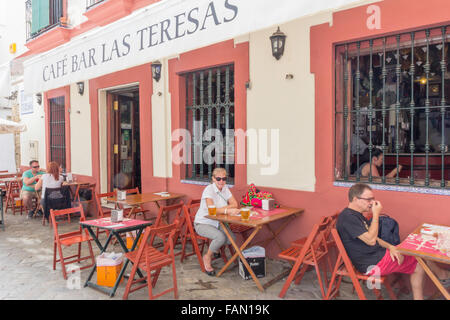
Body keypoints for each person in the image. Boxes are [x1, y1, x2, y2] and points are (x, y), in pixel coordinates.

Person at [336, 183, 450, 300]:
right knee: (418, 263)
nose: (372, 202)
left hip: (377, 255)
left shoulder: (355, 215)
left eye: (373, 198)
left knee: (415, 252)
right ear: (355, 199)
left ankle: (443, 275)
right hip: (372, 264)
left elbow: (374, 238)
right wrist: (376, 214)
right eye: (368, 199)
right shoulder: (348, 218)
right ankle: (442, 276)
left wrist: (391, 247)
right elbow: (371, 240)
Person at [194, 168, 241, 276]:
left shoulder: (225, 188)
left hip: (217, 222)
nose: (221, 181)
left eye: (224, 179)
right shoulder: (208, 189)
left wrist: (221, 209)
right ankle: (207, 256)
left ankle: (215, 248)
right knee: (220, 237)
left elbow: (235, 204)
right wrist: (227, 210)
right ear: (213, 179)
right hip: (203, 222)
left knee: (231, 239)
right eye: (218, 178)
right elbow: (211, 210)